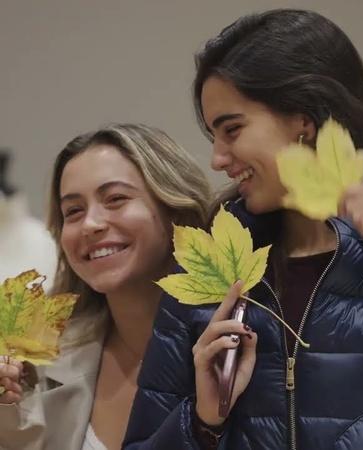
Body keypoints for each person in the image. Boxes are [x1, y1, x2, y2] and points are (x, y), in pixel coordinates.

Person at [123, 9, 363, 450]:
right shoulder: (212, 260)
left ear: (305, 122)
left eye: (232, 129)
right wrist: (203, 424)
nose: (217, 158)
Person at [0, 123, 212, 450]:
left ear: (176, 209)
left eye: (115, 199)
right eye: (73, 211)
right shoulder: (38, 364)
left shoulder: (236, 345)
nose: (91, 224)